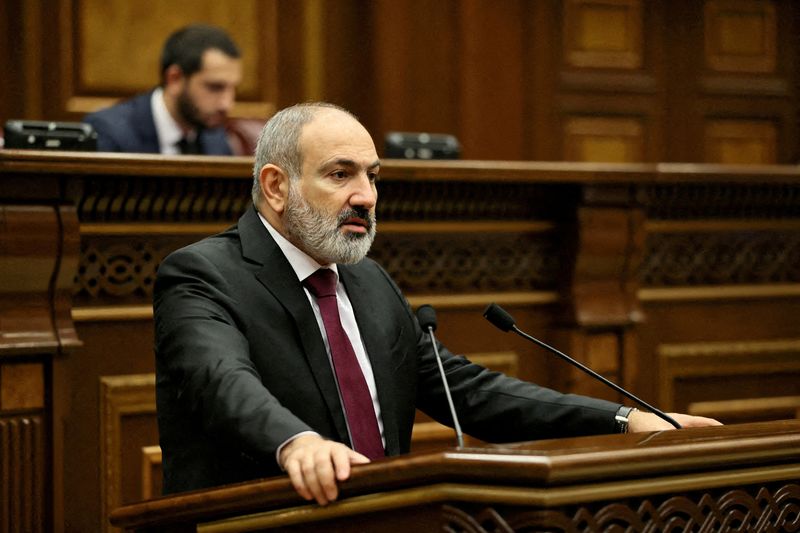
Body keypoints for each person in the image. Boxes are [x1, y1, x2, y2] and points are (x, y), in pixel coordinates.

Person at [154, 102, 721, 506]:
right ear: (276, 186)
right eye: (340, 175)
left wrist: (626, 421)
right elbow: (221, 380)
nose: (366, 197)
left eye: (373, 177)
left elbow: (471, 393)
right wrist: (296, 441)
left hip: (386, 521)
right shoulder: (204, 274)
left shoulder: (368, 282)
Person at [83, 24, 242, 155]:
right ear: (174, 79)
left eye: (232, 88)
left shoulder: (215, 138)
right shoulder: (111, 133)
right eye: (215, 87)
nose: (227, 104)